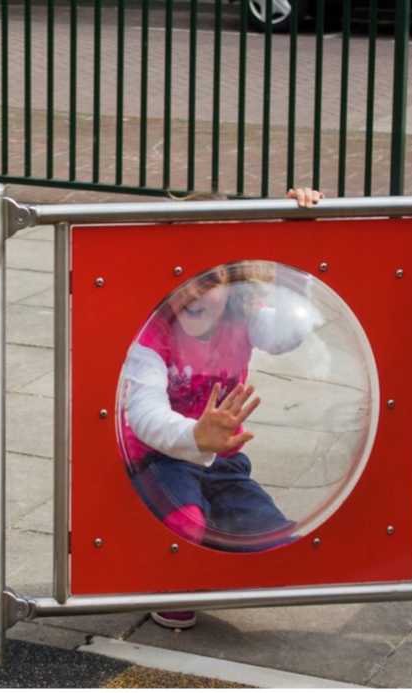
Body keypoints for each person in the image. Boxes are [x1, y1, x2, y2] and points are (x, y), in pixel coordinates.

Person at [120, 189, 324, 631]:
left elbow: (287, 333)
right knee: (185, 525)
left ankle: (217, 534)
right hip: (159, 459)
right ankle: (171, 579)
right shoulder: (154, 336)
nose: (194, 289)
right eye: (183, 273)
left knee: (277, 542)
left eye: (210, 279)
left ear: (234, 285)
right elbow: (143, 414)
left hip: (224, 461)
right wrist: (195, 437)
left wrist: (296, 240)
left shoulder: (243, 318)